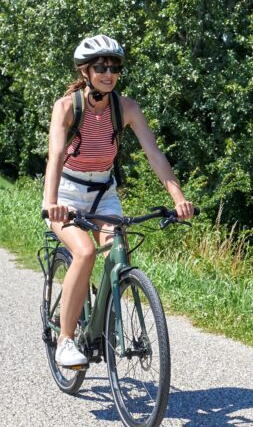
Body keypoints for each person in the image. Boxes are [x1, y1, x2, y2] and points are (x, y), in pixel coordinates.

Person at [42, 34, 195, 367]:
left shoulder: (126, 108)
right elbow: (55, 155)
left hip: (103, 194)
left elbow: (154, 154)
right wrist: (50, 201)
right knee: (83, 253)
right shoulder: (67, 106)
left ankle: (103, 317)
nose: (108, 73)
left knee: (117, 252)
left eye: (114, 67)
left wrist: (179, 197)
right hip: (67, 193)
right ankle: (66, 340)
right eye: (100, 67)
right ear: (85, 71)